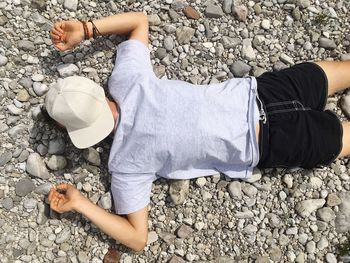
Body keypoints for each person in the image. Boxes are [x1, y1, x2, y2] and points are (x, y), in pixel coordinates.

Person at [47, 11, 350, 252]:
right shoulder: (126, 80)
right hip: (263, 92)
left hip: (270, 142)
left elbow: (138, 239)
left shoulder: (126, 164)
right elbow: (138, 20)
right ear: (95, 92)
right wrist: (86, 29)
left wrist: (81, 204)